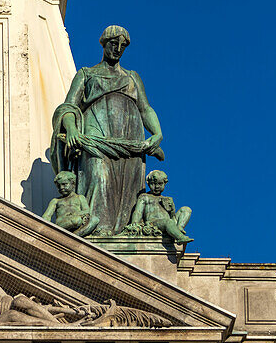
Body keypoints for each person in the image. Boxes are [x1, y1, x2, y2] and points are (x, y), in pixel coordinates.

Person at [50, 26, 164, 235]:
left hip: (130, 135)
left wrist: (157, 133)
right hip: (96, 134)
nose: (118, 49)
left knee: (127, 185)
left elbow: (145, 109)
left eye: (122, 46)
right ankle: (96, 229)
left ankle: (126, 230)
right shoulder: (87, 74)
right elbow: (67, 107)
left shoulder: (132, 77)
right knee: (98, 176)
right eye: (114, 44)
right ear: (103, 44)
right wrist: (72, 129)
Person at [128, 170, 193, 244]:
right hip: (153, 223)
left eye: (160, 184)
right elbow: (138, 212)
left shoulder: (167, 199)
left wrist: (172, 209)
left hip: (168, 223)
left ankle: (178, 229)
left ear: (165, 183)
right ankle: (180, 237)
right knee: (168, 222)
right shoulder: (144, 197)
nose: (156, 187)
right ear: (148, 183)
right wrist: (134, 223)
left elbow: (171, 216)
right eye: (153, 184)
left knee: (186, 209)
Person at [42, 171, 99, 237]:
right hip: (62, 224)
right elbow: (46, 216)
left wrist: (75, 214)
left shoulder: (80, 197)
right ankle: (72, 236)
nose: (61, 188)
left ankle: (75, 235)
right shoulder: (55, 201)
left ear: (73, 184)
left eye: (64, 184)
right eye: (58, 186)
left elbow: (87, 211)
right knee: (76, 220)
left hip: (76, 220)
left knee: (95, 220)